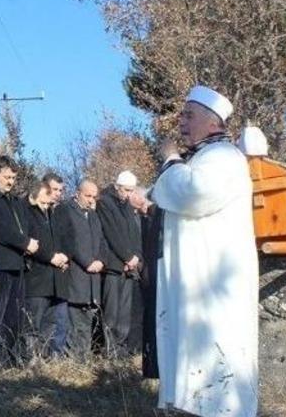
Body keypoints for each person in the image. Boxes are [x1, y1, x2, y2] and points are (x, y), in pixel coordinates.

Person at [150, 85, 258, 416]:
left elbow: (194, 194)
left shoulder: (224, 157)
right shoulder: (203, 157)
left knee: (216, 362)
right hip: (196, 279)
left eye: (189, 115)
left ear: (213, 122)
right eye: (182, 115)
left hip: (213, 282)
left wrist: (170, 159)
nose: (181, 122)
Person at [0, 156, 38, 365]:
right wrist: (25, 243)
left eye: (13, 177)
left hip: (17, 264)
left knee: (14, 317)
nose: (10, 181)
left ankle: (8, 360)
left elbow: (25, 226)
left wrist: (29, 243)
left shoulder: (15, 201)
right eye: (6, 177)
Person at [96, 170, 143, 357]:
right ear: (117, 187)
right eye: (126, 190)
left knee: (124, 312)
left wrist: (136, 256)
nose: (129, 194)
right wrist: (126, 257)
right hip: (114, 265)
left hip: (129, 267)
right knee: (112, 312)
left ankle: (121, 347)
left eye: (132, 190)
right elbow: (112, 233)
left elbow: (134, 233)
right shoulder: (105, 203)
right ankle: (110, 348)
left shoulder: (127, 206)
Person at [56, 180, 105, 357]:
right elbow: (70, 241)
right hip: (76, 275)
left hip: (93, 279)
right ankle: (73, 361)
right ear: (77, 193)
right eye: (88, 195)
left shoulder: (93, 215)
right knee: (74, 322)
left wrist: (101, 260)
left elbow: (101, 240)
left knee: (86, 322)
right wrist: (86, 262)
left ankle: (83, 359)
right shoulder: (65, 210)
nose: (91, 200)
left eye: (94, 197)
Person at [22, 180, 70, 357]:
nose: (45, 206)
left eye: (48, 203)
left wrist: (65, 256)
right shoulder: (26, 213)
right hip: (36, 278)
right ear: (33, 198)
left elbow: (65, 238)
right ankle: (30, 359)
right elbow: (31, 244)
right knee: (32, 324)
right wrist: (51, 257)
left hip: (55, 279)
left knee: (51, 324)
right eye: (42, 202)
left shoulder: (53, 214)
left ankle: (46, 359)